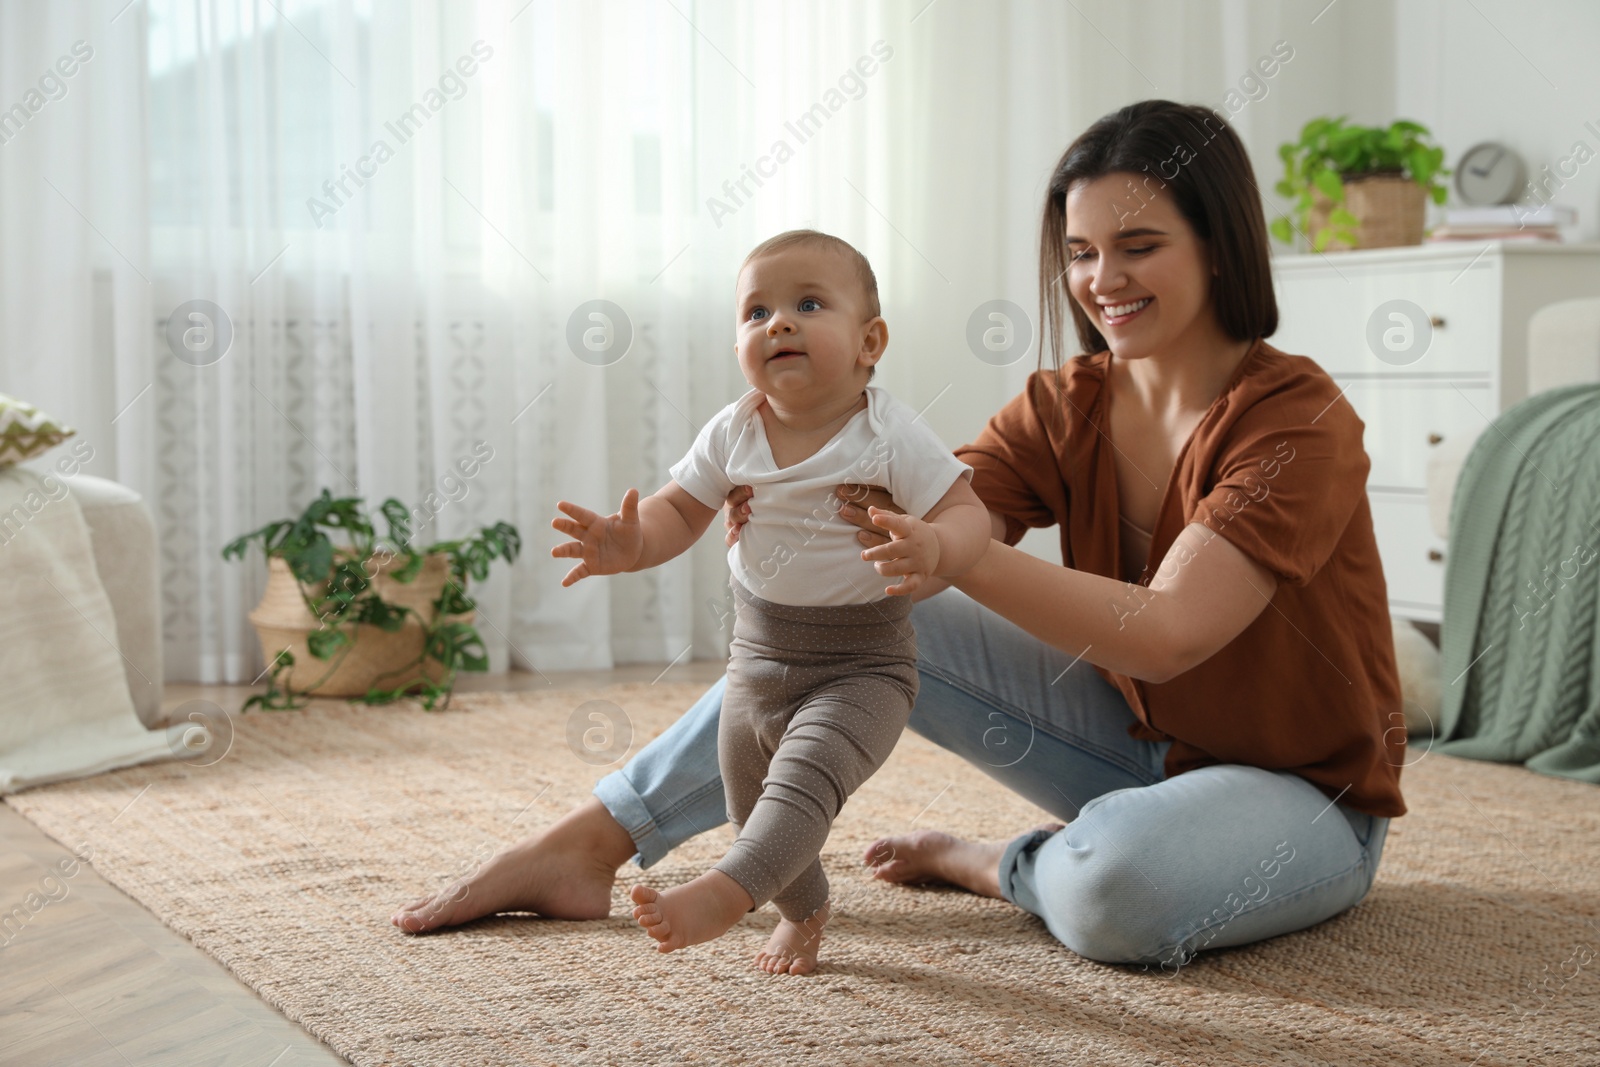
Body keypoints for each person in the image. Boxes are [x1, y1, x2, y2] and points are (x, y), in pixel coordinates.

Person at [392, 98, 1407, 980]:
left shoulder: (1295, 420)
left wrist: (953, 550)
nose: (1102, 279)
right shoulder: (1067, 401)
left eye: (1138, 246)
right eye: (1080, 250)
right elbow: (905, 523)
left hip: (1299, 796)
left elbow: (1168, 633)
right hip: (1128, 746)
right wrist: (796, 511)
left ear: (1219, 244)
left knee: (1117, 895)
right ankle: (589, 841)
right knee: (842, 620)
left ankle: (990, 861)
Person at [543, 230, 989, 973]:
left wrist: (935, 546)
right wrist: (631, 543)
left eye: (808, 304)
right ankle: (805, 909)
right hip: (755, 662)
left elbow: (968, 509)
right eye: (755, 312)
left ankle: (726, 892)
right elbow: (679, 510)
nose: (777, 322)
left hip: (864, 664)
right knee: (751, 808)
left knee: (803, 782)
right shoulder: (734, 429)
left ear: (869, 340)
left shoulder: (888, 432)